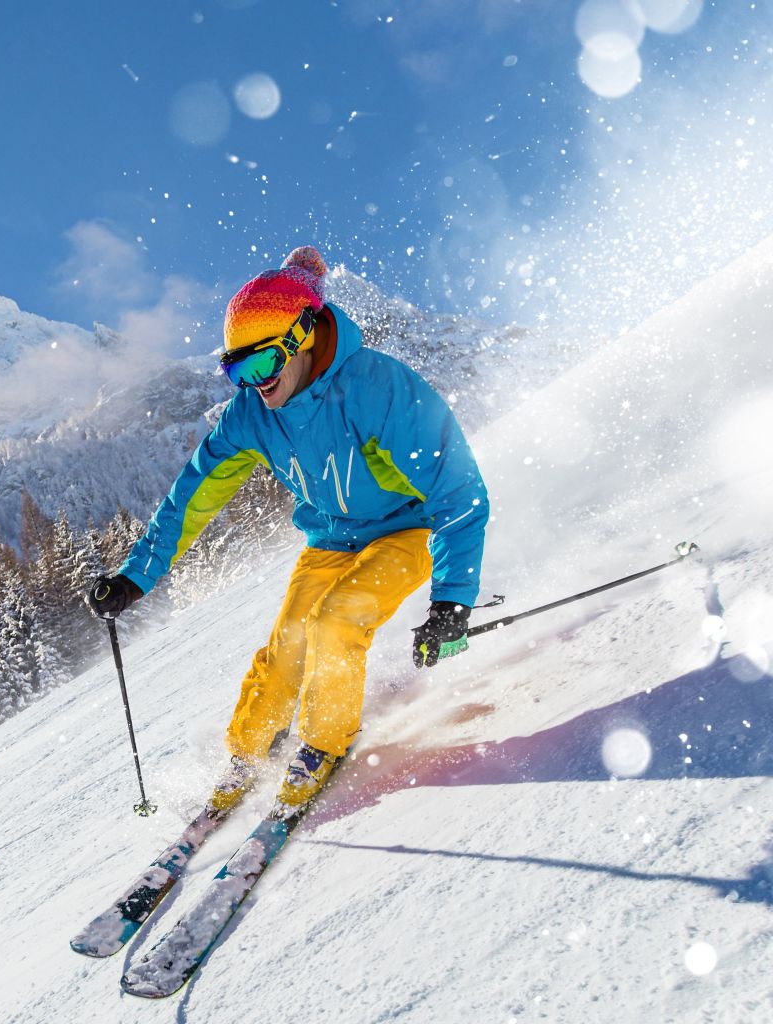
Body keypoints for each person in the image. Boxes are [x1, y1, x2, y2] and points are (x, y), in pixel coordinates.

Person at [86, 246, 488, 819]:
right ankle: (247, 753)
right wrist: (134, 577)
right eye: (236, 371)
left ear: (302, 337)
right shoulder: (251, 414)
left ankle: (321, 744)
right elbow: (193, 497)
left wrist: (451, 600)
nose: (254, 385)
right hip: (329, 540)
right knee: (286, 650)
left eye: (261, 366)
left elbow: (458, 489)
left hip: (407, 530)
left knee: (336, 620)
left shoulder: (376, 388)